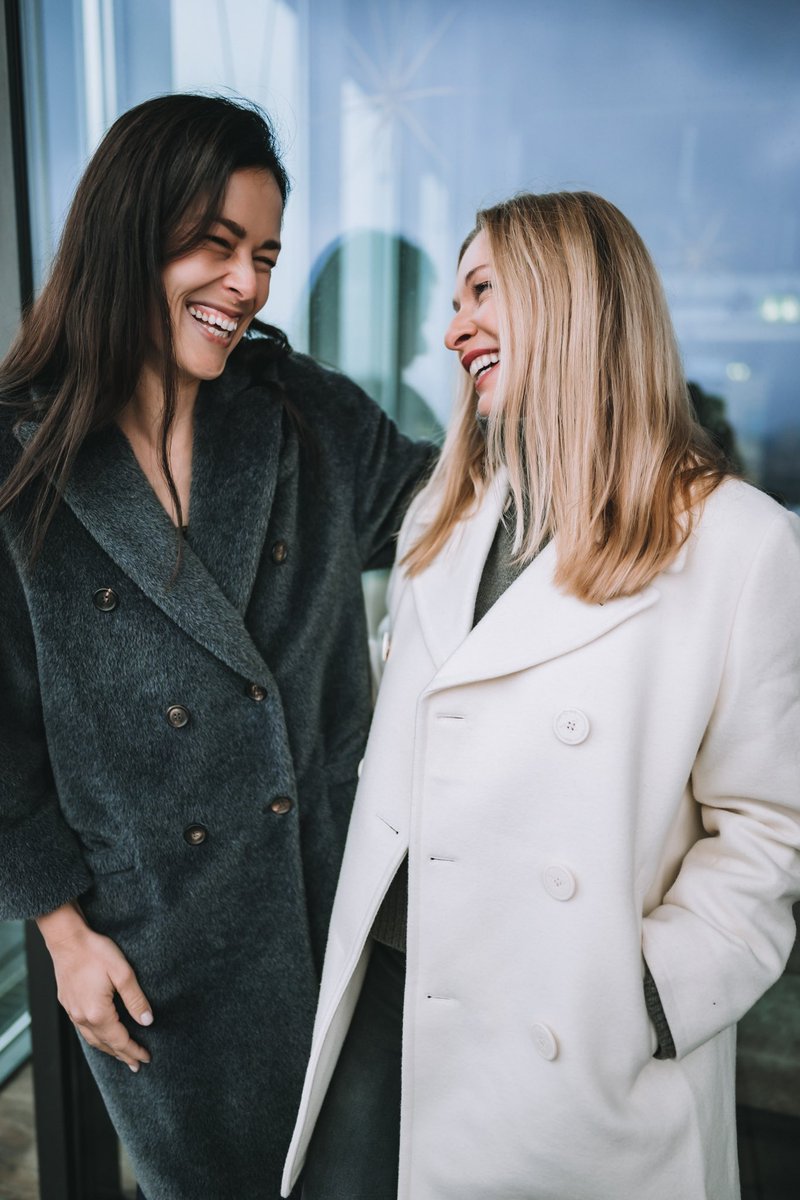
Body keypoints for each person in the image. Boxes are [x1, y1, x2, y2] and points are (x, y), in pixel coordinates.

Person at [283, 192, 800, 1200]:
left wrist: (648, 996)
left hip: (575, 1056)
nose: (450, 327)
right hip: (394, 1007)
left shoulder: (737, 542)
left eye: (480, 290)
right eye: (452, 298)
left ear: (570, 300)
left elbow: (769, 829)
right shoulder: (451, 506)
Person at [0, 94, 433, 1199]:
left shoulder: (302, 417)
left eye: (267, 256)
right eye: (216, 245)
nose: (246, 285)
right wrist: (64, 940)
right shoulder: (18, 454)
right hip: (156, 952)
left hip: (334, 918)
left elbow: (459, 507)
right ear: (131, 235)